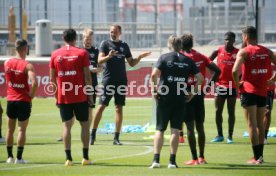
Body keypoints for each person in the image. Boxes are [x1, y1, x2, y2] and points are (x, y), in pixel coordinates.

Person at [90, 24, 151, 145]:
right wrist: (109, 56)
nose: (113, 34)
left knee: (119, 108)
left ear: (120, 32)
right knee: (101, 106)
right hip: (108, 80)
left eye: (115, 32)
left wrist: (139, 57)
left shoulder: (124, 46)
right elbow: (99, 60)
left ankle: (116, 138)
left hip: (121, 81)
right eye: (111, 32)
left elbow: (132, 63)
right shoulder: (105, 44)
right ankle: (93, 134)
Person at [149, 36, 203, 169]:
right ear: (180, 46)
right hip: (180, 99)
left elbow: (153, 75)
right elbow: (201, 78)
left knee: (160, 129)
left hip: (165, 97)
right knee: (175, 130)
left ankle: (156, 160)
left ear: (169, 45)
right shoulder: (188, 60)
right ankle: (172, 162)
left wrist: (155, 90)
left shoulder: (164, 57)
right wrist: (192, 93)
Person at [232, 26, 276, 164]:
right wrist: (273, 79)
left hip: (248, 92)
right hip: (263, 91)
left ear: (245, 37)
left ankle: (256, 157)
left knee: (251, 125)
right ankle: (260, 156)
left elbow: (234, 71)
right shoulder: (266, 51)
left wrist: (238, 84)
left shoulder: (244, 51)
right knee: (260, 126)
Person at [50, 28, 93, 166]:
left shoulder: (55, 54)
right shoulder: (82, 53)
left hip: (64, 96)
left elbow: (52, 80)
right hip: (80, 95)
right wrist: (90, 96)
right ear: (75, 38)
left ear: (63, 38)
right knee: (85, 125)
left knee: (66, 127)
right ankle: (85, 158)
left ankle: (68, 159)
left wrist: (56, 97)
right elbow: (87, 77)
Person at [180, 33, 221, 165]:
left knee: (190, 129)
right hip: (199, 94)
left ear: (181, 45)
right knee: (200, 127)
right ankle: (202, 157)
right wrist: (207, 88)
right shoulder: (201, 57)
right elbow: (217, 71)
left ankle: (194, 158)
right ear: (192, 44)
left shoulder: (180, 57)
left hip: (186, 95)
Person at [4, 39, 38, 164]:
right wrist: (31, 96)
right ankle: (19, 158)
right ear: (25, 49)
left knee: (9, 130)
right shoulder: (27, 65)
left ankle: (9, 157)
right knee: (21, 130)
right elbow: (34, 83)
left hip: (10, 100)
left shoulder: (7, 63)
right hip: (23, 100)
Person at [209, 32, 239, 144]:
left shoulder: (238, 53)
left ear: (234, 41)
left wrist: (238, 79)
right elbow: (207, 62)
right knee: (218, 111)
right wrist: (214, 74)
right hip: (220, 85)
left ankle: (230, 136)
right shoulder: (219, 51)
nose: (227, 41)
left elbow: (244, 67)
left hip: (232, 86)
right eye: (226, 39)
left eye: (230, 40)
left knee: (231, 112)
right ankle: (219, 135)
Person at [82, 28, 103, 145]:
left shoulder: (96, 51)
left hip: (93, 83)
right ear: (83, 38)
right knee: (76, 109)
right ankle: (65, 131)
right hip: (79, 84)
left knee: (90, 109)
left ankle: (88, 132)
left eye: (90, 39)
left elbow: (101, 66)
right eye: (86, 38)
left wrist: (97, 70)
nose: (88, 41)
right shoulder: (79, 51)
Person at [264, 72, 276, 144]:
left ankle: (264, 137)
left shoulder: (270, 60)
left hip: (268, 89)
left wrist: (272, 79)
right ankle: (224, 135)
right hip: (226, 87)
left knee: (267, 112)